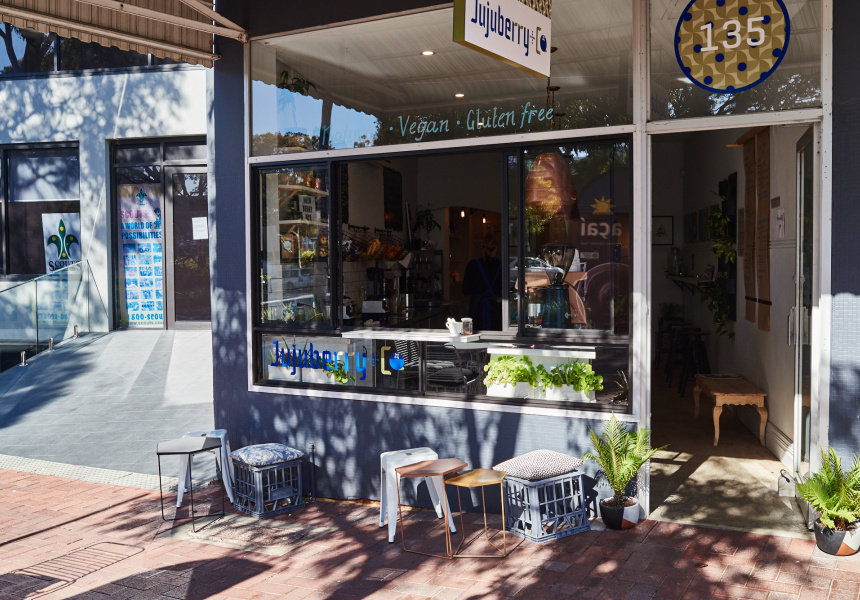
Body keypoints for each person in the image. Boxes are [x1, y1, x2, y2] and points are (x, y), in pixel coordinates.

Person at [462, 234, 502, 330]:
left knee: (472, 337)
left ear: (481, 247)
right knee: (495, 338)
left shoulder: (472, 265)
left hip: (475, 311)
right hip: (495, 313)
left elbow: (465, 290)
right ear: (496, 248)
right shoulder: (501, 266)